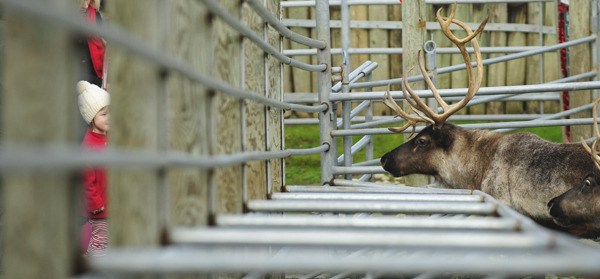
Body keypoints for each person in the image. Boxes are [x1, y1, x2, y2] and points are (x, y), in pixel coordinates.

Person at [77, 80, 110, 256]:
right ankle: (92, 268)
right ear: (92, 118)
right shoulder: (88, 146)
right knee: (100, 243)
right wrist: (96, 205)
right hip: (101, 208)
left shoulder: (109, 139)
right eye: (104, 114)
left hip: (112, 203)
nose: (109, 117)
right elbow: (86, 181)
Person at [78, 0, 106, 88]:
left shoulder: (96, 16)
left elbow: (101, 43)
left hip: (94, 71)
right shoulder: (67, 14)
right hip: (75, 70)